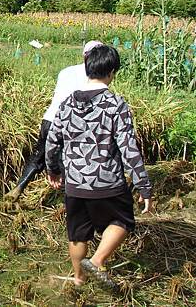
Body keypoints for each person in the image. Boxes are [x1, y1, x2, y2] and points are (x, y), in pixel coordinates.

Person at [45, 44, 152, 290]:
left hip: (74, 184)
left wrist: (54, 170)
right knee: (123, 221)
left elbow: (53, 141)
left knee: (78, 233)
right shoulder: (116, 104)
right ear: (112, 72)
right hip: (107, 183)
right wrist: (143, 185)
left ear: (87, 68)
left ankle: (79, 278)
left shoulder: (67, 103)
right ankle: (96, 260)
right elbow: (128, 148)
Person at [5, 40, 104, 201]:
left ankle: (18, 188)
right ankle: (71, 200)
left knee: (39, 155)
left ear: (83, 55)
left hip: (49, 118)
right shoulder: (93, 77)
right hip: (68, 123)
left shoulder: (66, 71)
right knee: (70, 159)